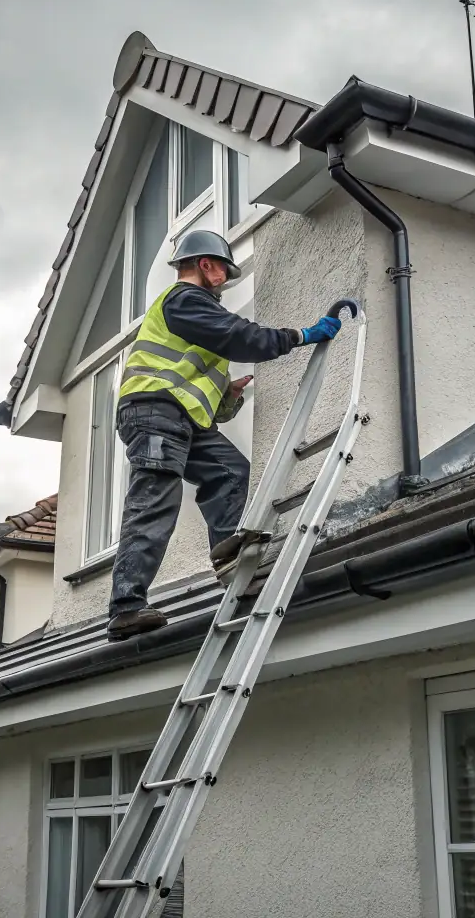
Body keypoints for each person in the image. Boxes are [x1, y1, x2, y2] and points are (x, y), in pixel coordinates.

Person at [106, 229, 342, 641]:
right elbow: (239, 336)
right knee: (155, 501)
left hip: (182, 418)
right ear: (205, 264)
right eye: (224, 271)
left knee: (229, 470)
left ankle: (228, 561)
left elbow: (202, 387)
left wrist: (229, 395)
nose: (227, 280)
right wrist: (300, 336)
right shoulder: (184, 300)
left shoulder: (196, 318)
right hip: (154, 412)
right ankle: (126, 608)